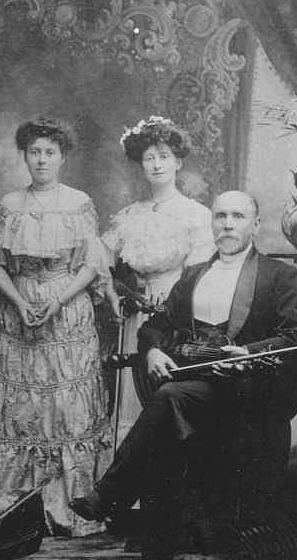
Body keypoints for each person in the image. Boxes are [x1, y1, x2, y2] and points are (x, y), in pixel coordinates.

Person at [71, 191, 297, 560]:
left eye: (237, 216)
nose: (228, 224)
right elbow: (156, 325)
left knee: (169, 398)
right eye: (221, 216)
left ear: (255, 225)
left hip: (250, 393)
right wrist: (152, 350)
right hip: (200, 388)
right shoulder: (195, 274)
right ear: (212, 223)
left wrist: (248, 353)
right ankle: (158, 539)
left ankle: (110, 494)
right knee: (172, 402)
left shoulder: (279, 275)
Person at [0, 118, 112, 537]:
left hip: (66, 311)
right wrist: (18, 301)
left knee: (64, 408)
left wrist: (57, 299)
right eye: (34, 152)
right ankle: (20, 506)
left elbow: (92, 265)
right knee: (24, 407)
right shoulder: (10, 203)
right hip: (18, 315)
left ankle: (70, 504)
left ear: (62, 156)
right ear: (24, 155)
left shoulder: (78, 203)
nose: (41, 160)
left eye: (49, 153)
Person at [102, 115, 214, 444]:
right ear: (141, 163)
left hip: (177, 313)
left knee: (166, 392)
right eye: (149, 158)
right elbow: (103, 266)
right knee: (130, 400)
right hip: (135, 314)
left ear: (178, 161)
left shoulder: (196, 215)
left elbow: (199, 275)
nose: (156, 164)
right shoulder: (128, 216)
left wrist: (170, 307)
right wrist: (118, 292)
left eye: (164, 156)